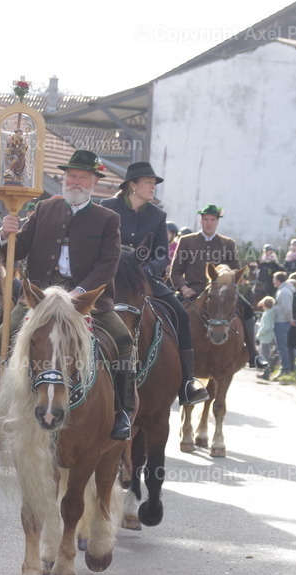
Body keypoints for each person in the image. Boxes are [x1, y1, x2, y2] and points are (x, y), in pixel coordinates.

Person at [0, 150, 136, 441]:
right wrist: (4, 233)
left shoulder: (108, 219)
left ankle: (123, 412)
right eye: (71, 176)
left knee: (124, 341)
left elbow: (107, 264)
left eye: (83, 177)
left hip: (87, 302)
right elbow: (15, 251)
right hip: (38, 301)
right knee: (0, 339)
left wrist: (78, 294)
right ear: (64, 178)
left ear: (93, 182)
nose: (76, 182)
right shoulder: (44, 210)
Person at [100, 161, 208, 405]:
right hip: (108, 276)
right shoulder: (108, 207)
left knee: (180, 314)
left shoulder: (158, 215)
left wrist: (148, 269)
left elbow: (163, 255)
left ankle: (187, 382)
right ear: (132, 185)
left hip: (144, 278)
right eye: (148, 182)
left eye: (154, 183)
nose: (153, 187)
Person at [170, 204, 267, 369]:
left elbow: (236, 270)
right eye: (205, 219)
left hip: (222, 292)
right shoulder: (187, 241)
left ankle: (253, 353)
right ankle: (167, 353)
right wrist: (184, 288)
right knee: (170, 311)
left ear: (217, 221)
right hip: (193, 291)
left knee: (248, 309)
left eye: (212, 220)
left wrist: (227, 277)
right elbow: (176, 271)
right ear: (201, 220)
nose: (208, 223)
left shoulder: (228, 243)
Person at [271, 271, 296, 375]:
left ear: (278, 280)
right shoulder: (282, 290)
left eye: (274, 279)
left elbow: (287, 308)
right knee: (285, 346)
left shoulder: (284, 292)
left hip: (282, 321)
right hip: (282, 321)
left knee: (282, 346)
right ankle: (288, 367)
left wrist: (290, 320)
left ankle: (285, 368)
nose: (273, 281)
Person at [255, 296, 276, 381]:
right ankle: (267, 371)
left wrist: (259, 333)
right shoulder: (272, 312)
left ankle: (266, 373)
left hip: (265, 337)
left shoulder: (266, 314)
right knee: (267, 355)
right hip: (269, 336)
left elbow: (266, 326)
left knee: (264, 356)